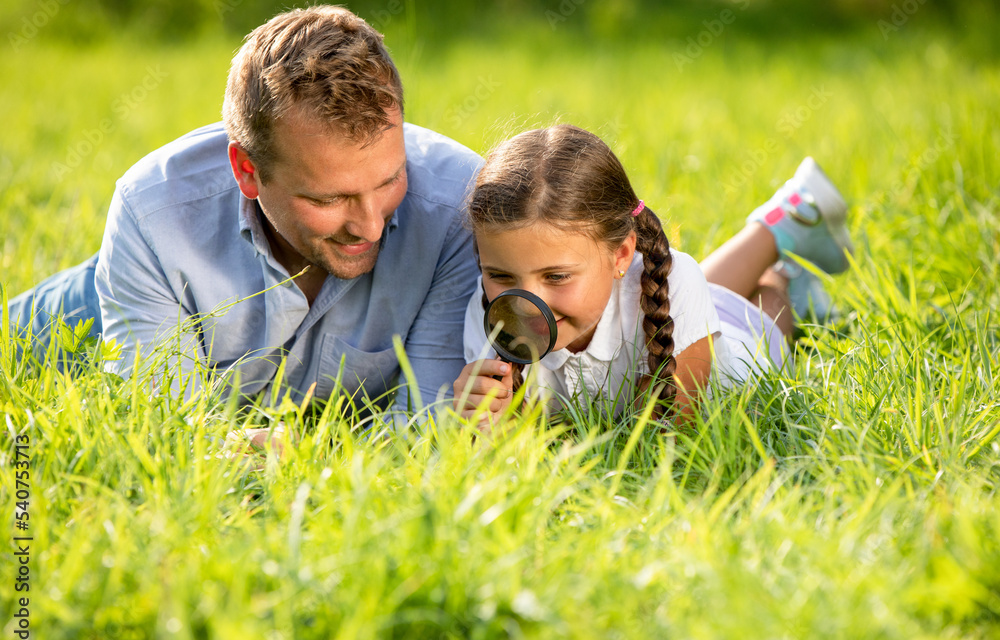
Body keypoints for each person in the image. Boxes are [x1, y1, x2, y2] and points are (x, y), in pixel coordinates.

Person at [5, 6, 482, 415]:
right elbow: (167, 430)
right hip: (99, 311)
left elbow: (431, 423)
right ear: (247, 170)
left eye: (389, 180)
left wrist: (297, 456)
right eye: (328, 199)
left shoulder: (460, 206)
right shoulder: (154, 213)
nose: (372, 224)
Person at [453, 124, 851, 422]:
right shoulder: (489, 312)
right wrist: (489, 426)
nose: (528, 304)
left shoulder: (674, 283)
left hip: (742, 352)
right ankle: (788, 224)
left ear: (622, 254)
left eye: (556, 277)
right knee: (687, 287)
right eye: (502, 276)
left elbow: (668, 437)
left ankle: (784, 272)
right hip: (677, 306)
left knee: (761, 305)